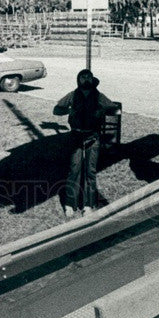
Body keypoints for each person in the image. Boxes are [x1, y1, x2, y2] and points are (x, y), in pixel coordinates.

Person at [53, 69, 116, 219]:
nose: (86, 79)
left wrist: (101, 110)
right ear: (78, 79)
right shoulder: (73, 95)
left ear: (92, 79)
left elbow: (114, 108)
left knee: (90, 172)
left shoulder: (98, 96)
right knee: (74, 170)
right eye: (83, 77)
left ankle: (88, 205)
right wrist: (69, 110)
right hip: (76, 137)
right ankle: (70, 204)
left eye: (89, 77)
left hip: (92, 138)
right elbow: (56, 109)